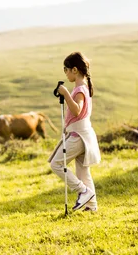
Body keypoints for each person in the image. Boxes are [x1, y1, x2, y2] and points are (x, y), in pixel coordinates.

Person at [48, 51, 101, 212]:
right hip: (82, 134)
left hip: (78, 137)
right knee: (83, 172)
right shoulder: (83, 88)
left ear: (75, 70)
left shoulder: (79, 90)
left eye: (66, 69)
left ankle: (83, 191)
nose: (65, 73)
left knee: (56, 164)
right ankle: (91, 206)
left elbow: (77, 111)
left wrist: (65, 94)